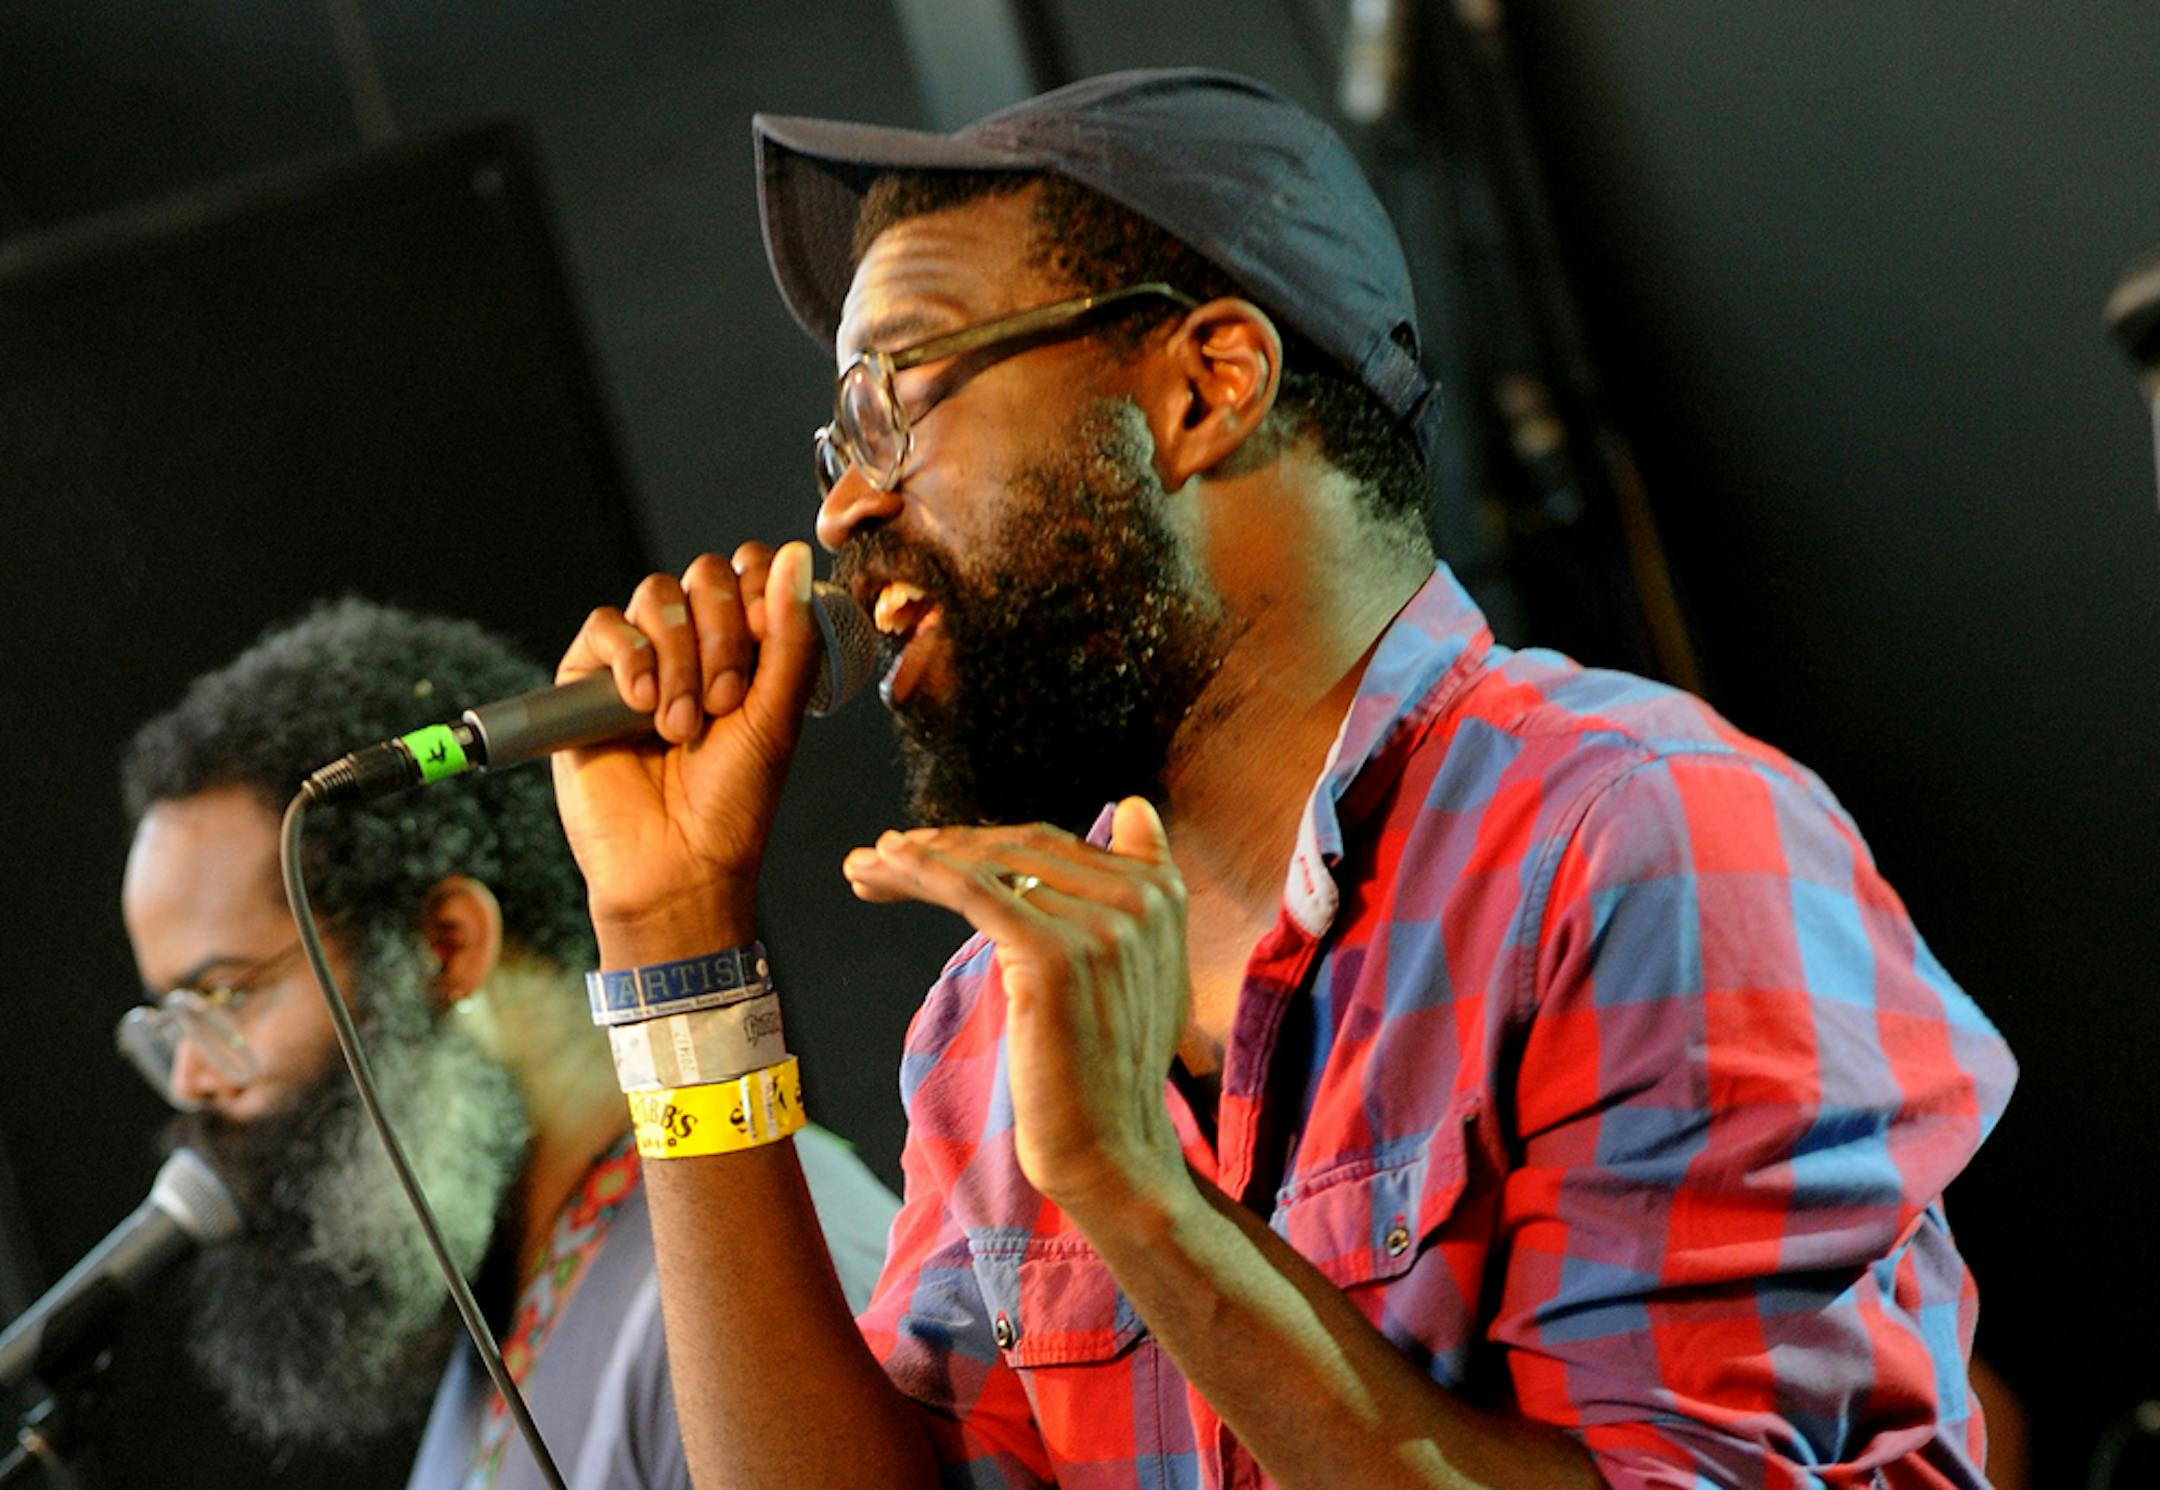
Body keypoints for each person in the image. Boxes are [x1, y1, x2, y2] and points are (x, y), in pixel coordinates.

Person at [547, 70, 2017, 1489]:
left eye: (893, 401)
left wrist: (1142, 1198)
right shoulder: (989, 1026)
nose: (845, 500)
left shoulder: (1638, 844)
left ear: (1209, 388)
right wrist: (673, 935)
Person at [115, 599, 899, 1490]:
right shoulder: (503, 1322)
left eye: (222, 996)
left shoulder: (775, 1258)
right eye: (169, 1020)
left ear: (444, 946)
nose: (191, 1075)